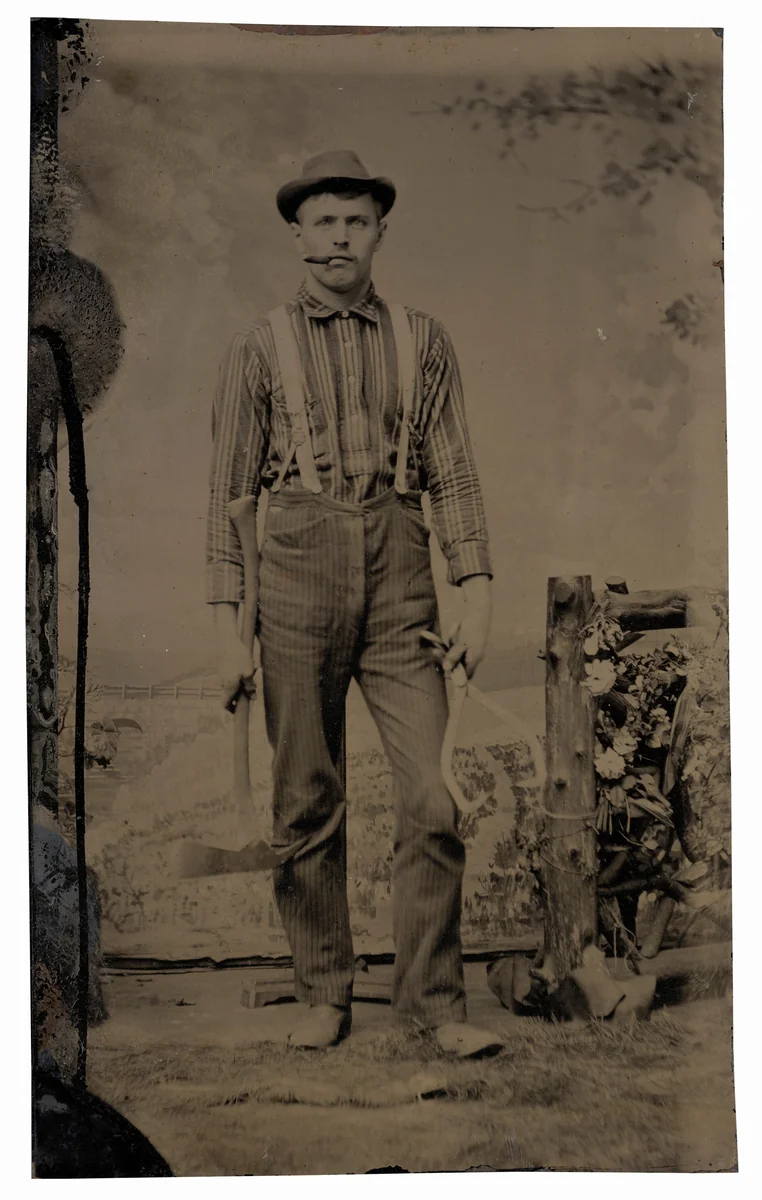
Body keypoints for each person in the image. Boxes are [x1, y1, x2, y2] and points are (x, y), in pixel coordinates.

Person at [206, 150, 502, 1056]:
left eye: (357, 221)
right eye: (324, 221)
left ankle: (434, 1007)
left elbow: (454, 476)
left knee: (433, 796)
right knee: (305, 795)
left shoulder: (424, 339)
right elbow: (225, 496)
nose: (340, 237)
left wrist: (477, 595)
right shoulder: (259, 346)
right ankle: (322, 991)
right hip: (293, 574)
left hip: (401, 575)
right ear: (298, 234)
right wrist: (226, 630)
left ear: (380, 232)